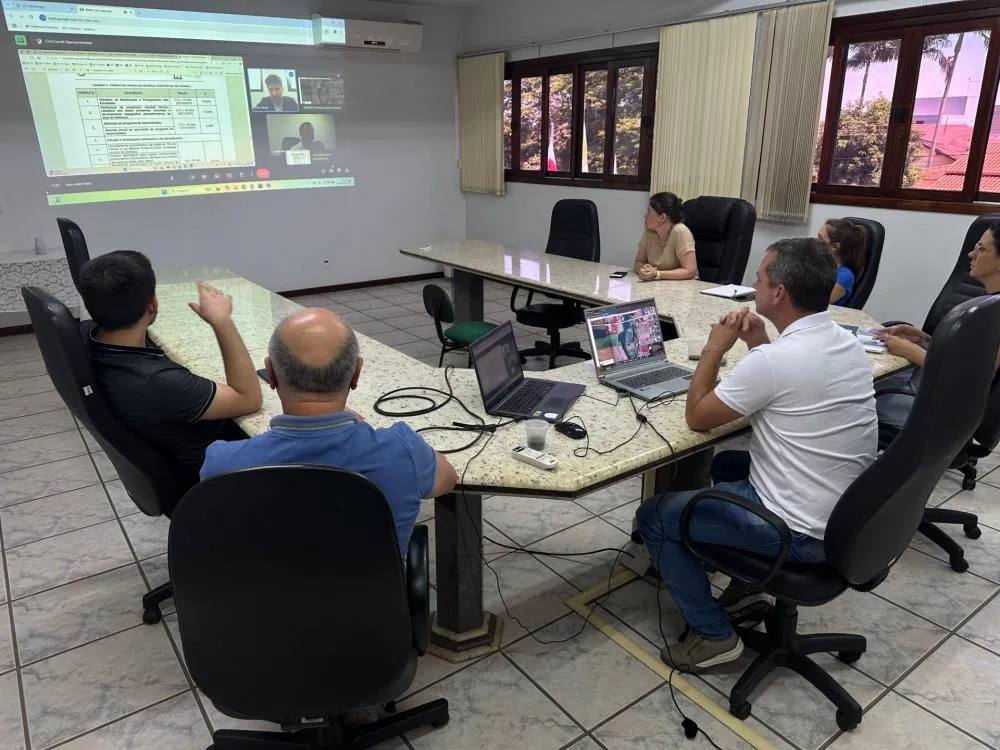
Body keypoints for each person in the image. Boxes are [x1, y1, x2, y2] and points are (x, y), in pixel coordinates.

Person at [634, 237, 877, 671]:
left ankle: (714, 636)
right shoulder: (846, 343)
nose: (754, 284)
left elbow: (697, 416)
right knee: (726, 463)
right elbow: (791, 382)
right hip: (848, 520)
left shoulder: (775, 362)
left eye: (760, 278)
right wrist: (758, 342)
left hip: (801, 533)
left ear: (779, 292)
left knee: (654, 517)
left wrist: (715, 347)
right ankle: (741, 584)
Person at [201, 308, 459, 556]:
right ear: (356, 374)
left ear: (271, 374)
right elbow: (448, 479)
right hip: (372, 601)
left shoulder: (222, 465)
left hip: (259, 600)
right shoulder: (403, 450)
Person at [77, 251, 262, 494]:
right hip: (216, 477)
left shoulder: (85, 336)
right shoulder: (158, 382)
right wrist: (222, 320)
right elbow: (249, 399)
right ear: (153, 304)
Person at [877, 222, 1000, 431]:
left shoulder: (993, 312)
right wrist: (924, 340)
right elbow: (967, 357)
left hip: (944, 412)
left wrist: (911, 351)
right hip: (932, 392)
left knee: (855, 399)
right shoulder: (990, 303)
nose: (971, 254)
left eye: (981, 248)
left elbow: (972, 377)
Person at [633, 192, 698, 281]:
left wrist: (658, 274)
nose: (645, 215)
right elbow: (638, 262)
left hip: (682, 288)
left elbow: (690, 270)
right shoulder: (649, 232)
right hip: (658, 286)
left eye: (649, 211)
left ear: (662, 217)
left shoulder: (680, 231)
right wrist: (643, 269)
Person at [819, 219, 866, 306]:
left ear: (835, 247)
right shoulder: (822, 265)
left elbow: (817, 303)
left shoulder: (845, 276)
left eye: (820, 239)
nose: (815, 242)